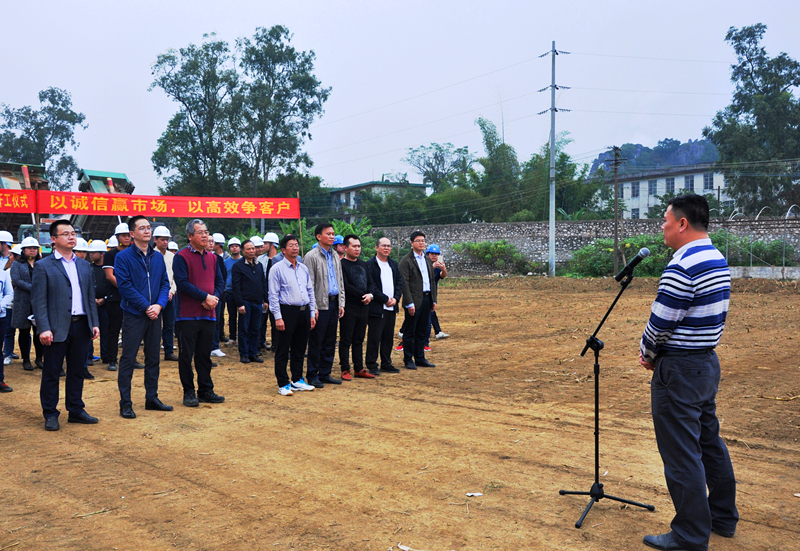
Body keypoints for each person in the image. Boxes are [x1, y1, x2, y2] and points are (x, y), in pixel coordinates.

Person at [638, 195, 738, 551]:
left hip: (679, 368)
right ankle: (723, 517)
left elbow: (661, 323)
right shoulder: (716, 258)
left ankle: (689, 535)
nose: (662, 227)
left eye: (665, 221)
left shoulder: (682, 266)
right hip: (705, 363)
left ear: (682, 223)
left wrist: (648, 354)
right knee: (709, 443)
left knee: (682, 453)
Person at [31, 220, 100, 431]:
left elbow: (90, 297)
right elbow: (39, 301)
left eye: (73, 233)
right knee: (52, 372)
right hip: (55, 327)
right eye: (66, 234)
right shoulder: (43, 266)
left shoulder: (84, 265)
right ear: (53, 239)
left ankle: (76, 409)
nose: (71, 237)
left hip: (81, 325)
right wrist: (44, 328)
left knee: (77, 370)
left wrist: (94, 323)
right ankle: (50, 413)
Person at [114, 216, 172, 419]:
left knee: (153, 357)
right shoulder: (123, 257)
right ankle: (125, 403)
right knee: (128, 358)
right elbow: (125, 286)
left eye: (149, 228)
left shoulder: (157, 257)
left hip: (155, 315)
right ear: (132, 234)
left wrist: (159, 305)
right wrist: (146, 306)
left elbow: (165, 283)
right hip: (134, 315)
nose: (147, 231)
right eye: (142, 228)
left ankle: (151, 398)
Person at [172, 219, 225, 407]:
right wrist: (205, 296)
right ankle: (189, 391)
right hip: (187, 315)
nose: (205, 235)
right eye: (200, 232)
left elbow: (220, 282)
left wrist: (214, 298)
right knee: (186, 356)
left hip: (208, 314)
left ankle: (205, 390)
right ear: (189, 236)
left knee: (204, 355)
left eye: (206, 232)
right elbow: (182, 283)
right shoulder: (181, 256)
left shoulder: (212, 258)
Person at [268, 234, 317, 396]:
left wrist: (312, 313)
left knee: (300, 348)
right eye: (291, 245)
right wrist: (278, 317)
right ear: (283, 250)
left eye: (296, 244)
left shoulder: (303, 268)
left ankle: (297, 379)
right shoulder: (277, 269)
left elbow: (310, 291)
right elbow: (273, 295)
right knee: (283, 349)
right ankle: (283, 383)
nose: (295, 247)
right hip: (286, 312)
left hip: (304, 311)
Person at [304, 223, 346, 387]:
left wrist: (341, 302)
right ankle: (312, 374)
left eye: (333, 233)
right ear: (318, 236)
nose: (332, 236)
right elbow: (309, 284)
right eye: (328, 233)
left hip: (334, 303)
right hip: (320, 305)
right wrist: (313, 307)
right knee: (316, 341)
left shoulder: (334, 255)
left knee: (330, 340)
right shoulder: (311, 256)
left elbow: (339, 280)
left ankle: (325, 373)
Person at [338, 235, 376, 380]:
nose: (357, 249)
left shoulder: (364, 264)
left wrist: (370, 295)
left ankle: (359, 368)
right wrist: (363, 295)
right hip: (349, 307)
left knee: (359, 339)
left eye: (359, 246)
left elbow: (371, 282)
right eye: (354, 246)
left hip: (364, 307)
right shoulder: (341, 265)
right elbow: (345, 286)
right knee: (346, 339)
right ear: (345, 248)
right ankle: (345, 369)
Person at [398, 231, 437, 370]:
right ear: (411, 243)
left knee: (422, 331)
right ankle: (408, 359)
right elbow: (404, 283)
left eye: (423, 240)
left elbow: (431, 281)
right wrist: (409, 303)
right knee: (410, 331)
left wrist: (433, 299)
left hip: (427, 299)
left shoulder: (427, 259)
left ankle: (420, 357)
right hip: (414, 301)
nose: (421, 243)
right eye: (418, 240)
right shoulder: (406, 261)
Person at [365, 237, 403, 375]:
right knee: (374, 337)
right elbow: (371, 286)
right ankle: (372, 364)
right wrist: (385, 299)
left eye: (389, 246)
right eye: (383, 245)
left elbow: (399, 282)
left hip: (391, 307)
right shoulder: (370, 264)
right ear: (377, 247)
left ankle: (386, 363)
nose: (386, 248)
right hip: (377, 307)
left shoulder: (393, 264)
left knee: (388, 337)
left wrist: (396, 298)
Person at [231, 240, 268, 364]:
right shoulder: (238, 266)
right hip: (245, 302)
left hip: (258, 302)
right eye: (248, 249)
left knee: (255, 329)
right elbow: (236, 286)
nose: (252, 251)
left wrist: (265, 300)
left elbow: (263, 283)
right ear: (243, 251)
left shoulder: (259, 265)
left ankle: (253, 353)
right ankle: (244, 354)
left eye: (253, 248)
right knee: (244, 330)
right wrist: (240, 303)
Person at [11, 237, 44, 372]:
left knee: (39, 331)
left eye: (34, 248)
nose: (32, 250)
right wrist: (34, 288)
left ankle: (39, 358)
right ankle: (26, 359)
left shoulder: (41, 264)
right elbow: (16, 280)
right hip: (23, 302)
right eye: (29, 248)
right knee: (24, 332)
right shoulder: (17, 264)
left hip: (39, 302)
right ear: (23, 250)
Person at [103, 222, 133, 372]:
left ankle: (130, 359)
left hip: (132, 299)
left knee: (131, 331)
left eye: (128, 235)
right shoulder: (111, 255)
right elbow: (110, 276)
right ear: (117, 237)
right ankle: (112, 359)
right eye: (123, 235)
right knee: (114, 330)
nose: (126, 238)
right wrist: (126, 289)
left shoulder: (135, 254)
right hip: (116, 297)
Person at [154, 226, 179, 361]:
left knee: (169, 324)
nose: (165, 242)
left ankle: (168, 351)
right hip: (156, 296)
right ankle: (153, 351)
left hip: (170, 295)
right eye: (162, 239)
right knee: (155, 325)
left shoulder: (172, 256)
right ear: (155, 240)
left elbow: (175, 277)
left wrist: (172, 291)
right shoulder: (151, 255)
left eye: (166, 240)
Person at [257, 232, 280, 352]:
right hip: (263, 295)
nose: (263, 246)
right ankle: (259, 343)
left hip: (277, 295)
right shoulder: (260, 260)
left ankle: (276, 345)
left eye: (265, 243)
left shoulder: (281, 259)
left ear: (272, 245)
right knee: (261, 321)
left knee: (276, 320)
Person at [89, 240, 110, 366]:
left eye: (94, 252)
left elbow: (110, 286)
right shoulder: (88, 268)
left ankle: (106, 355)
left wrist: (104, 299)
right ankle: (88, 355)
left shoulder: (108, 269)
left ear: (102, 253)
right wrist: (92, 300)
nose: (90, 254)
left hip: (105, 304)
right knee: (89, 330)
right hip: (91, 304)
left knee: (106, 330)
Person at [424, 244, 449, 348]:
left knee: (431, 312)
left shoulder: (438, 267)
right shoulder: (424, 264)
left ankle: (438, 331)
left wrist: (443, 269)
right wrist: (432, 267)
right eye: (432, 254)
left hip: (432, 294)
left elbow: (442, 276)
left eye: (436, 254)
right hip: (423, 293)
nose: (434, 256)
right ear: (428, 254)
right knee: (425, 314)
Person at [211, 233, 230, 354]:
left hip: (217, 294)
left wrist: (217, 293)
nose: (210, 244)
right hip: (202, 295)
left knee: (217, 319)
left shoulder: (217, 259)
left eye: (211, 242)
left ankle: (214, 346)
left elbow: (222, 277)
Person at [223, 237, 241, 348]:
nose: (234, 248)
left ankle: (243, 337)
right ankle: (232, 337)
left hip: (242, 292)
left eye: (236, 246)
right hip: (229, 291)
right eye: (232, 246)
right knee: (232, 316)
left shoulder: (244, 261)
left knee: (243, 316)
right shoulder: (226, 262)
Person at [0, 262, 13, 392]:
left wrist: (1, 306)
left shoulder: (3, 274)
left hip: (1, 316)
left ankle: (0, 380)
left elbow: (9, 293)